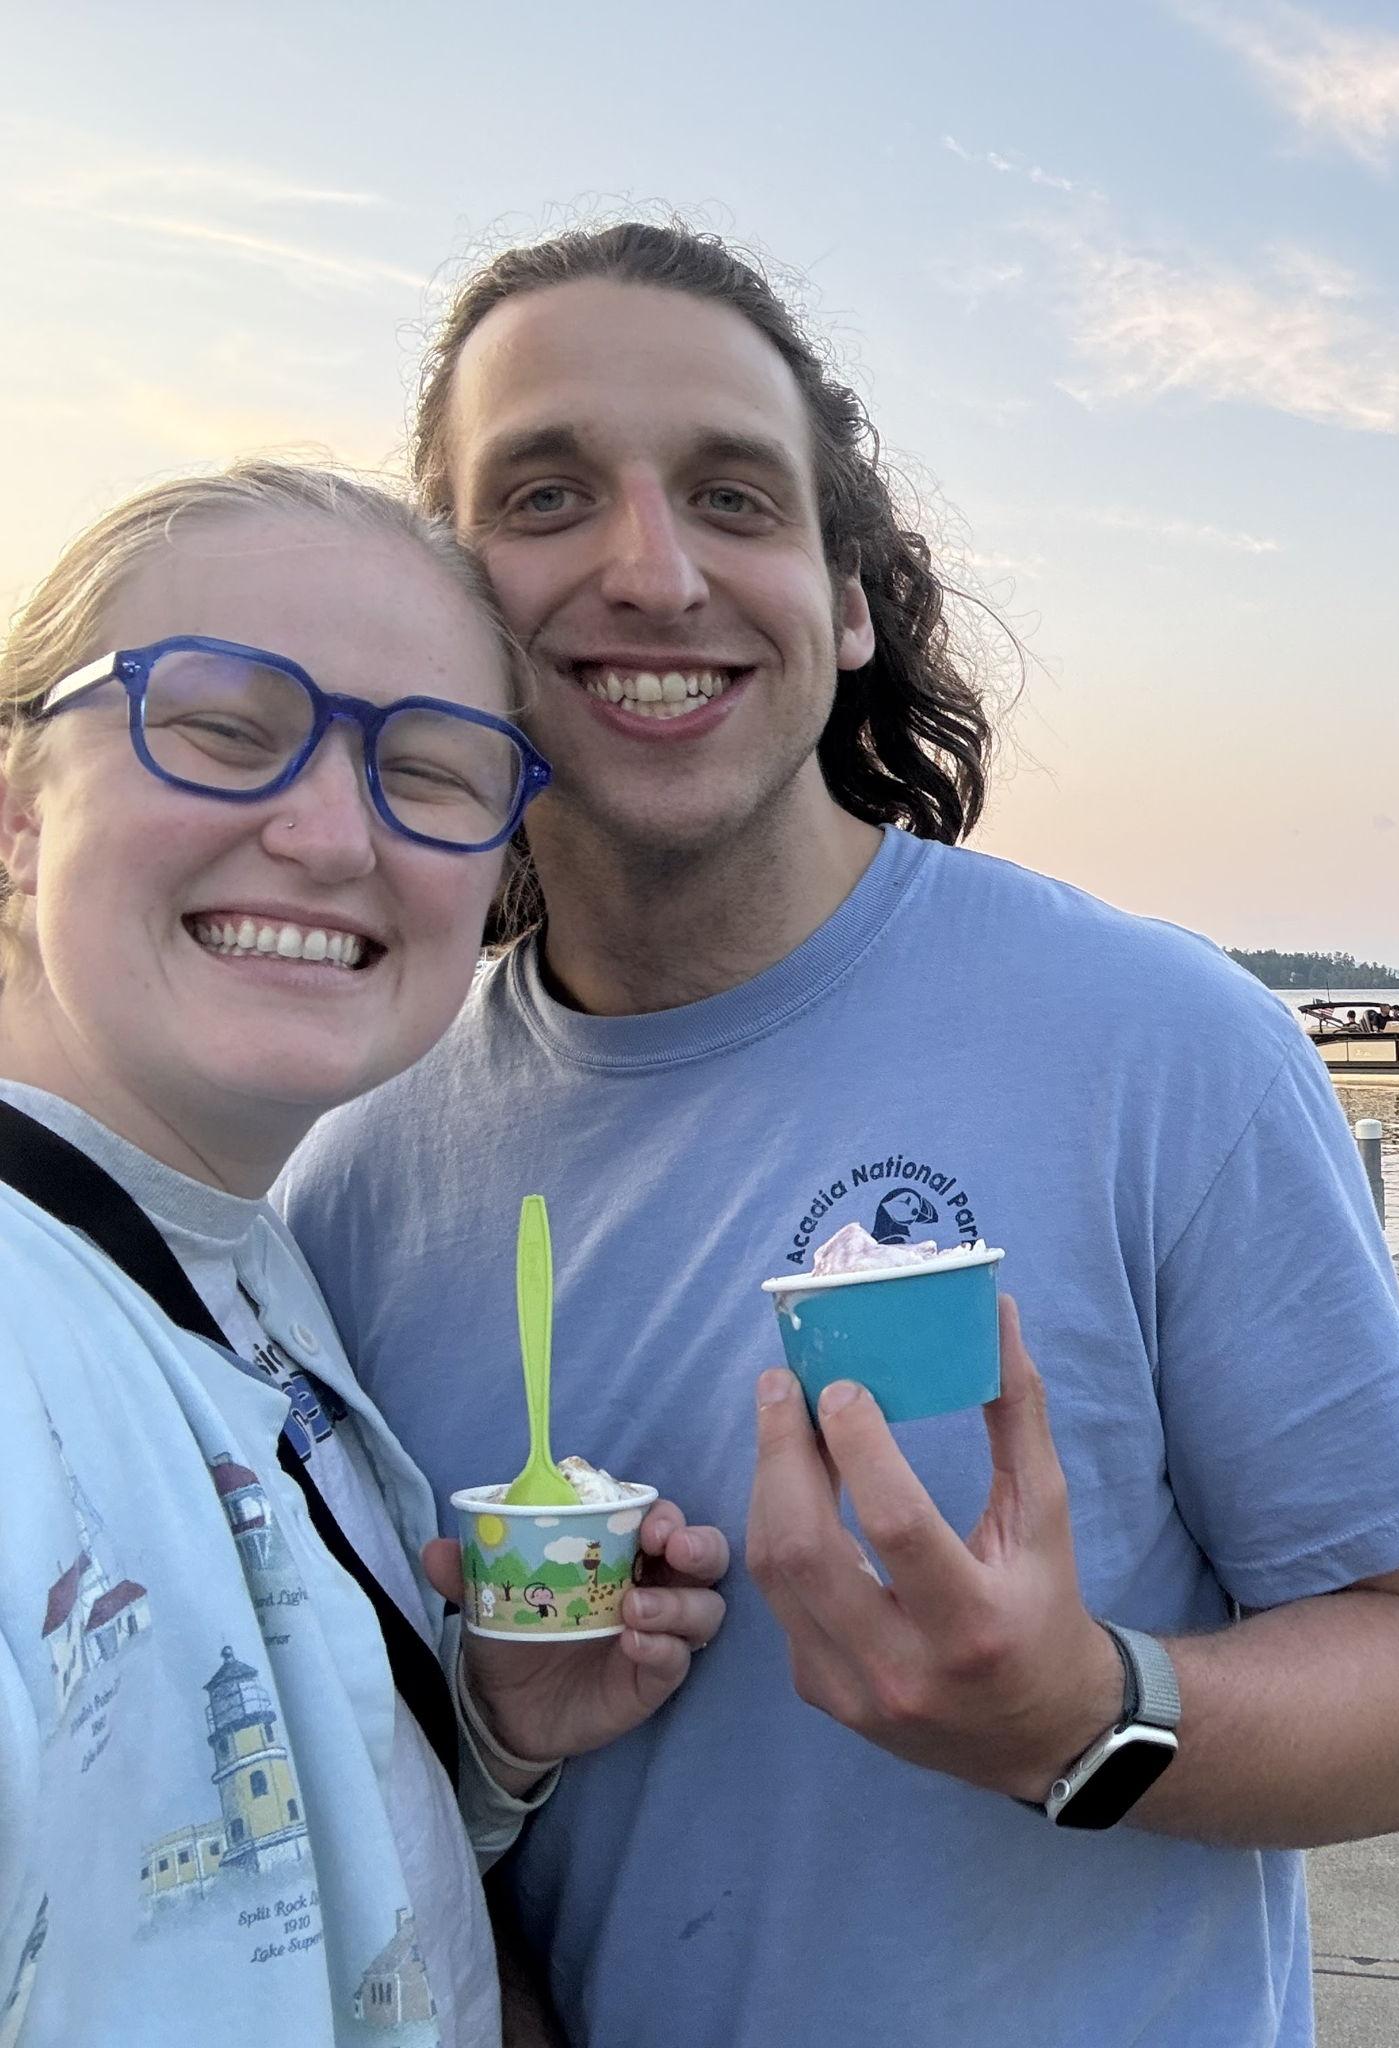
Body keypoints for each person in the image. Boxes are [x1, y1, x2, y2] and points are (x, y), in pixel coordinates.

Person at [280, 220, 1399, 2048]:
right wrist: (497, 1730)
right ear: (445, 614)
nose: (654, 567)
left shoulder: (1162, 1047)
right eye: (543, 497)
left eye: (735, 496)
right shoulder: (351, 1178)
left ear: (848, 602)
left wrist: (1081, 1713)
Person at [0, 463, 727, 2046]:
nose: (334, 834)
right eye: (219, 727)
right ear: (17, 815)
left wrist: (478, 1732)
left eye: (436, 765)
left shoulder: (240, 1268)